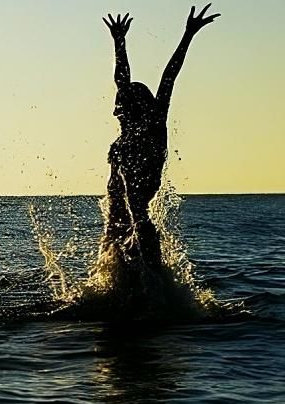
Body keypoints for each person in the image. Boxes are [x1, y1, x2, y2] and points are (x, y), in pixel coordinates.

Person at [100, 5, 219, 270]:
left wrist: (188, 35)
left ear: (134, 108)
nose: (115, 111)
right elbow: (122, 80)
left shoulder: (153, 126)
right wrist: (119, 42)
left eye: (121, 107)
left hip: (139, 226)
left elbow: (169, 77)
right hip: (117, 223)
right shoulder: (130, 130)